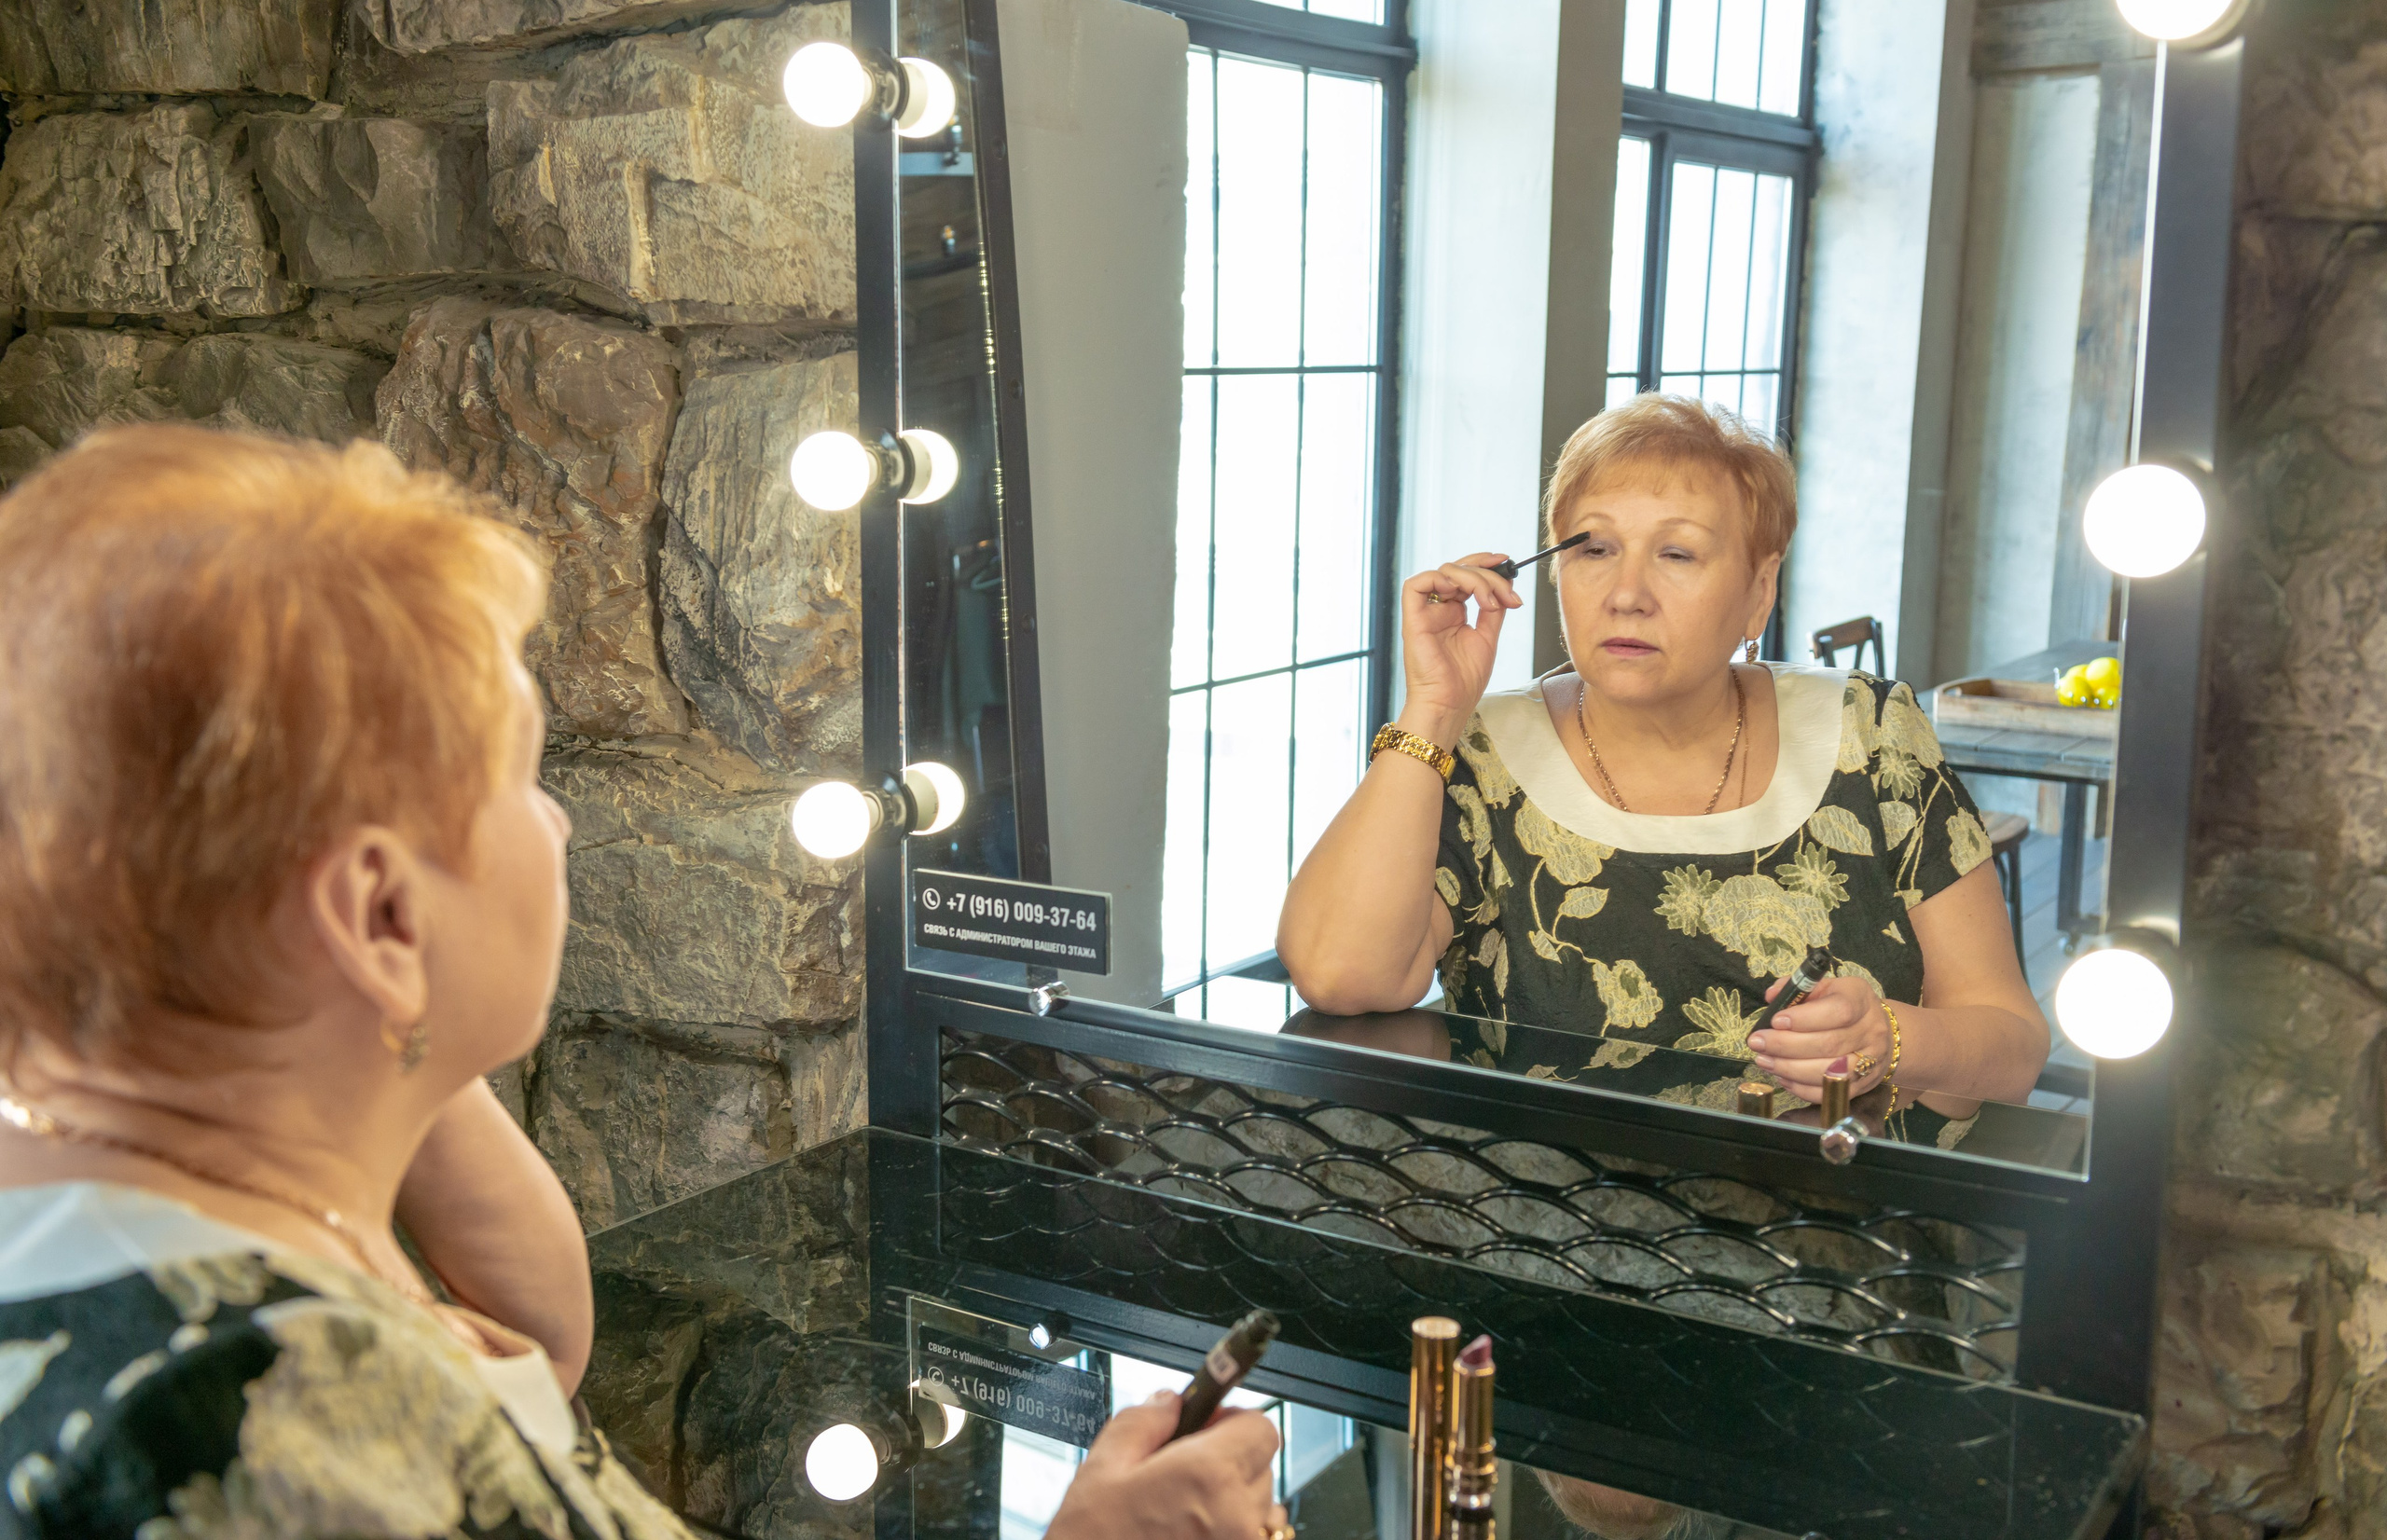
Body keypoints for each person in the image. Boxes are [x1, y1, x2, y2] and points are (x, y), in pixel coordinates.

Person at [0, 426, 1280, 1539]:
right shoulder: (277, 1414)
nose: (555, 827)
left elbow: (530, 1357)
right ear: (382, 913)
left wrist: (384, 1040)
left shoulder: (94, 1193)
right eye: (520, 776)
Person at [1278, 395, 2049, 1133]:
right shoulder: (1481, 752)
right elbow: (1340, 977)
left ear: (1759, 591)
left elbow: (2012, 1049)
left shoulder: (1870, 733)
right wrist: (1433, 711)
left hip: (1843, 1224)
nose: (1626, 594)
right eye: (1593, 549)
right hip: (1549, 1229)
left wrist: (1892, 1039)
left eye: (1677, 553)